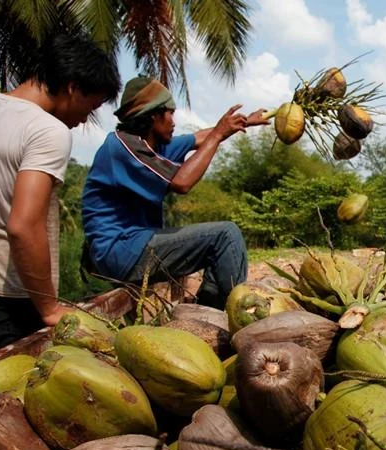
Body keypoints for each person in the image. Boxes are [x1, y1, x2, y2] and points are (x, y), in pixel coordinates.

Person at [0, 34, 121, 357]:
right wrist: (50, 308)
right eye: (91, 107)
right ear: (72, 87)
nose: (84, 119)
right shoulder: (47, 130)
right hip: (2, 304)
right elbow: (23, 226)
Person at [81, 76, 269, 310]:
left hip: (133, 246)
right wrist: (218, 135)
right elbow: (182, 183)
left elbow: (199, 138)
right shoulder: (123, 148)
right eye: (170, 113)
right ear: (153, 116)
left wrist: (244, 122)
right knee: (226, 236)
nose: (174, 121)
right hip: (120, 251)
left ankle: (208, 313)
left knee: (220, 240)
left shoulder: (152, 145)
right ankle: (234, 313)